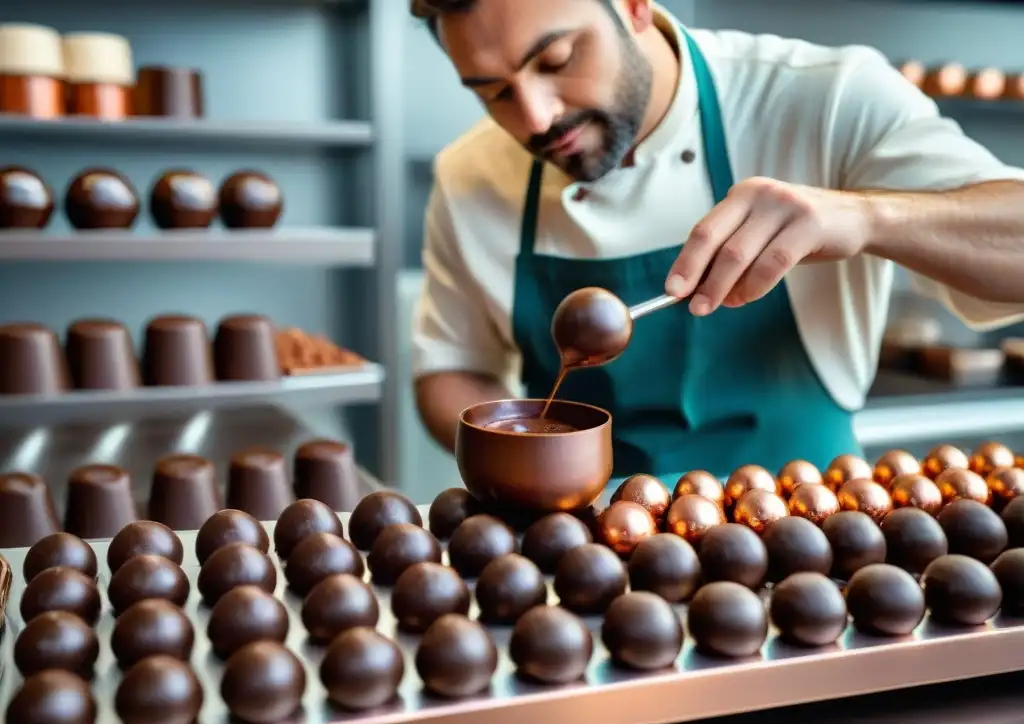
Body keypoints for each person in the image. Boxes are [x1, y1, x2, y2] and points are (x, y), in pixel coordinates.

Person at [409, 0, 1024, 483]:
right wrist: (519, 453)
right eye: (493, 91)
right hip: (584, 551)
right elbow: (451, 368)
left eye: (558, 58)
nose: (537, 118)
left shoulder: (824, 98)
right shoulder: (471, 176)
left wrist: (867, 218)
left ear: (634, 4)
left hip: (812, 532)